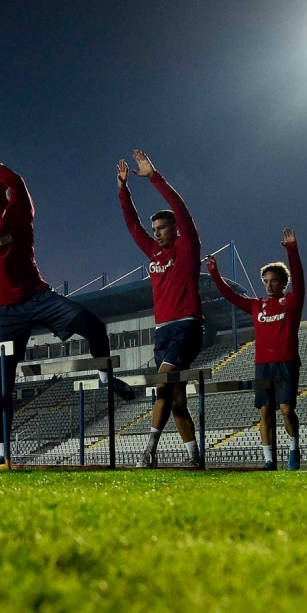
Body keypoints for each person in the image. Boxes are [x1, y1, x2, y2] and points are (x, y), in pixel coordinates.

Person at [0, 146, 134, 465]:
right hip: (3, 314)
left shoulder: (19, 209)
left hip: (38, 299)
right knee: (1, 387)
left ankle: (105, 377)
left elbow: (17, 181)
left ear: (1, 185)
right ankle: (0, 453)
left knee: (95, 326)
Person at [117, 150, 204, 468]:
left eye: (163, 228)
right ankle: (194, 457)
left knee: (162, 383)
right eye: (155, 229)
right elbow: (132, 226)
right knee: (177, 400)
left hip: (187, 326)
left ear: (176, 229)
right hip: (162, 332)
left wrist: (153, 176)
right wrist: (123, 190)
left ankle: (148, 450)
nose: (157, 233)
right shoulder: (153, 252)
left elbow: (181, 209)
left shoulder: (187, 246)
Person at [207, 228, 306, 470]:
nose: (269, 285)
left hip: (286, 362)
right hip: (262, 364)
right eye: (266, 282)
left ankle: (294, 449)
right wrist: (214, 273)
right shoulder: (256, 305)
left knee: (285, 409)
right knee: (264, 412)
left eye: (274, 281)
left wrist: (292, 249)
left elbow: (301, 280)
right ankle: (269, 460)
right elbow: (229, 295)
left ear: (283, 282)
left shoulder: (291, 301)